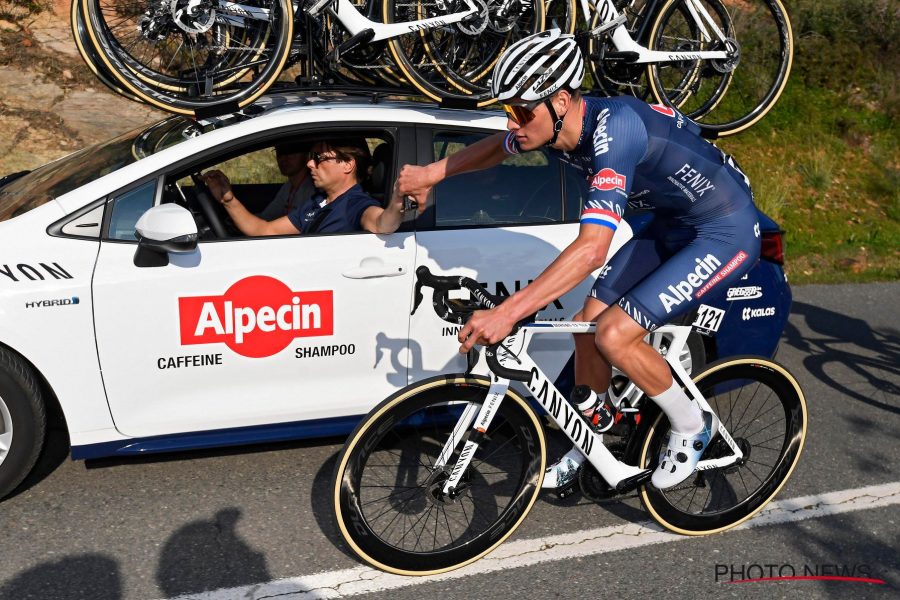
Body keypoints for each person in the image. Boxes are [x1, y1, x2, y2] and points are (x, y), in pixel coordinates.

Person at [397, 29, 761, 491]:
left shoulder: (615, 132)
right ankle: (595, 442)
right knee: (585, 327)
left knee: (613, 334)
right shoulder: (551, 127)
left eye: (520, 111)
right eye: (508, 110)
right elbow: (494, 148)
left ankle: (692, 425)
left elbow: (591, 250)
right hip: (673, 221)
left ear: (562, 100)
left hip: (724, 230)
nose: (512, 123)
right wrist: (430, 173)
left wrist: (508, 312)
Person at [203, 139, 404, 236]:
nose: (309, 164)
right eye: (310, 158)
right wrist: (228, 200)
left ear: (347, 165)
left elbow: (382, 224)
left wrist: (398, 199)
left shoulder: (356, 203)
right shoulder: (318, 202)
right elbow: (264, 229)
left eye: (319, 158)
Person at [256, 142, 317, 221]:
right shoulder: (288, 187)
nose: (283, 158)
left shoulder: (314, 189)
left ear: (306, 155)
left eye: (291, 151)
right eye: (279, 152)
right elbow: (267, 216)